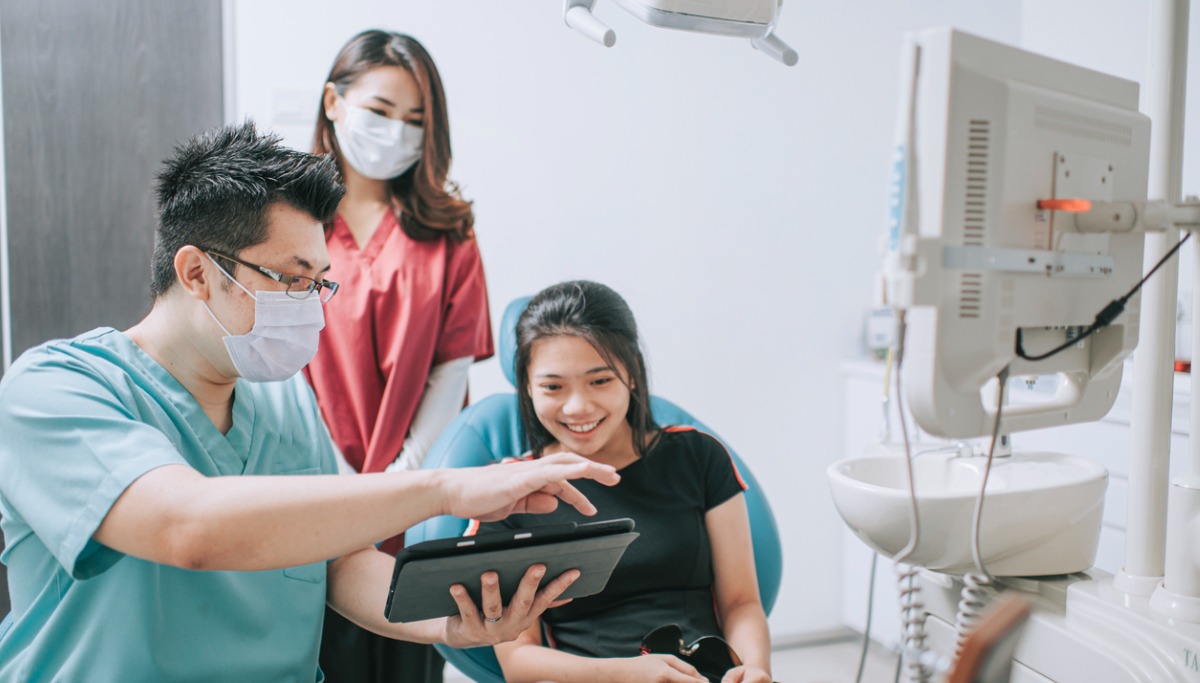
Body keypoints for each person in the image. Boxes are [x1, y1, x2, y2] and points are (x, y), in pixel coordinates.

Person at [0, 122, 619, 682]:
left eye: (320, 283)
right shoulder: (56, 390)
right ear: (197, 273)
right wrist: (446, 488)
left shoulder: (286, 403)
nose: (311, 305)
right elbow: (187, 526)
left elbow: (343, 563)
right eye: (293, 280)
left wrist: (446, 624)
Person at [302, 29, 494, 681]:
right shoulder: (289, 220)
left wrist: (404, 477)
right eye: (381, 111)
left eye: (416, 120)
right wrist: (338, 483)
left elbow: (452, 364)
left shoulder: (448, 229)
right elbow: (270, 360)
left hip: (414, 487)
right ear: (333, 102)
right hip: (309, 480)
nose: (396, 132)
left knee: (408, 652)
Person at [470, 281, 773, 683]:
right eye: (552, 387)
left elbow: (741, 602)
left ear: (631, 373)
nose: (578, 407)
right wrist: (632, 674)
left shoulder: (699, 457)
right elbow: (519, 659)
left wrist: (754, 671)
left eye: (600, 381)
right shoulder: (507, 495)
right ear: (527, 388)